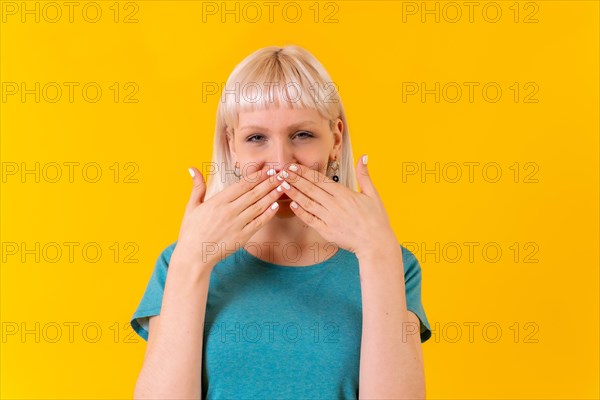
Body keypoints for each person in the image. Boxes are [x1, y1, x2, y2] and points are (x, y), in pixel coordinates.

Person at [130, 44, 432, 399]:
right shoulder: (177, 262)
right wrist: (191, 262)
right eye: (256, 138)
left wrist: (378, 253)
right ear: (231, 147)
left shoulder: (394, 263)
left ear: (335, 139)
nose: (280, 161)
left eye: (302, 135)